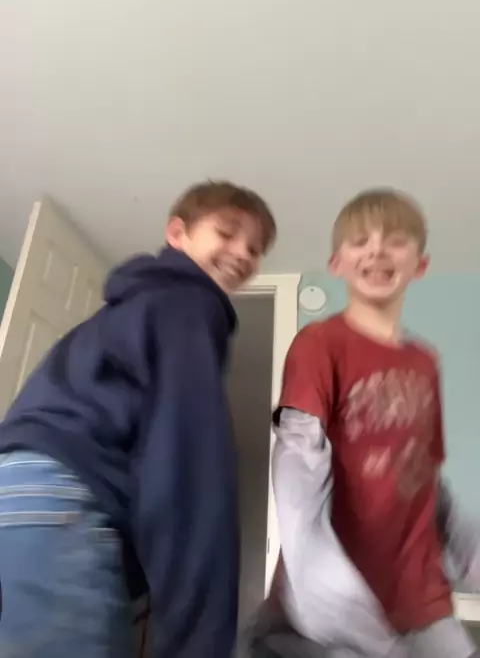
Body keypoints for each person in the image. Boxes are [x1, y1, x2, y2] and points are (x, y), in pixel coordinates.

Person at [0, 180, 276, 658]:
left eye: (255, 249)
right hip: (64, 503)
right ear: (177, 233)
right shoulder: (188, 303)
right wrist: (198, 642)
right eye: (227, 232)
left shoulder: (124, 313)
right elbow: (187, 463)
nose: (242, 253)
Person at [249, 189, 480, 658]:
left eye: (395, 240)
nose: (376, 251)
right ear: (337, 263)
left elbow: (428, 482)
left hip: (423, 599)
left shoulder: (425, 361)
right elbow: (297, 477)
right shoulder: (319, 344)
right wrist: (335, 605)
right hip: (338, 608)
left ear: (420, 265)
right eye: (360, 241)